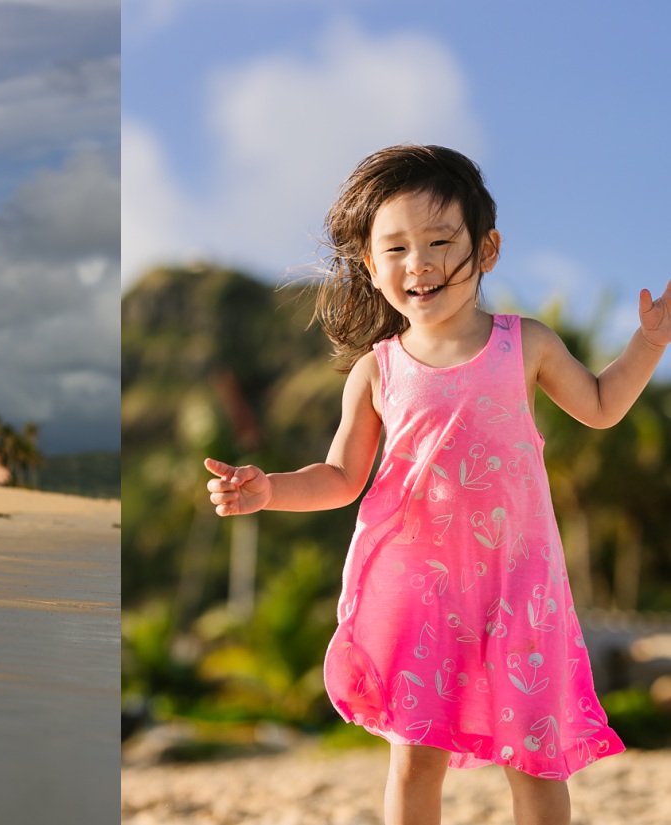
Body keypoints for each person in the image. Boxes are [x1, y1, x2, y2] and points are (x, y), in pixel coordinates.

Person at [205, 144, 671, 825]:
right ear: (369, 264)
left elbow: (601, 406)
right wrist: (268, 488)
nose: (417, 262)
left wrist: (649, 344)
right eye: (394, 248)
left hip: (520, 588)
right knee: (415, 754)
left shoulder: (526, 343)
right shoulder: (378, 369)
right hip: (420, 592)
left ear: (487, 249)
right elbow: (340, 475)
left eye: (439, 241)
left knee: (535, 755)